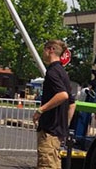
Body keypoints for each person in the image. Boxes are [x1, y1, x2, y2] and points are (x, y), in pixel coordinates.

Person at [32, 39, 75, 169]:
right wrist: (64, 127)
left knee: (46, 164)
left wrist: (40, 110)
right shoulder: (63, 73)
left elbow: (63, 95)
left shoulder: (52, 72)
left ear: (50, 50)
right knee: (54, 164)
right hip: (57, 132)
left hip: (49, 129)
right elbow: (72, 104)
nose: (43, 54)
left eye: (44, 50)